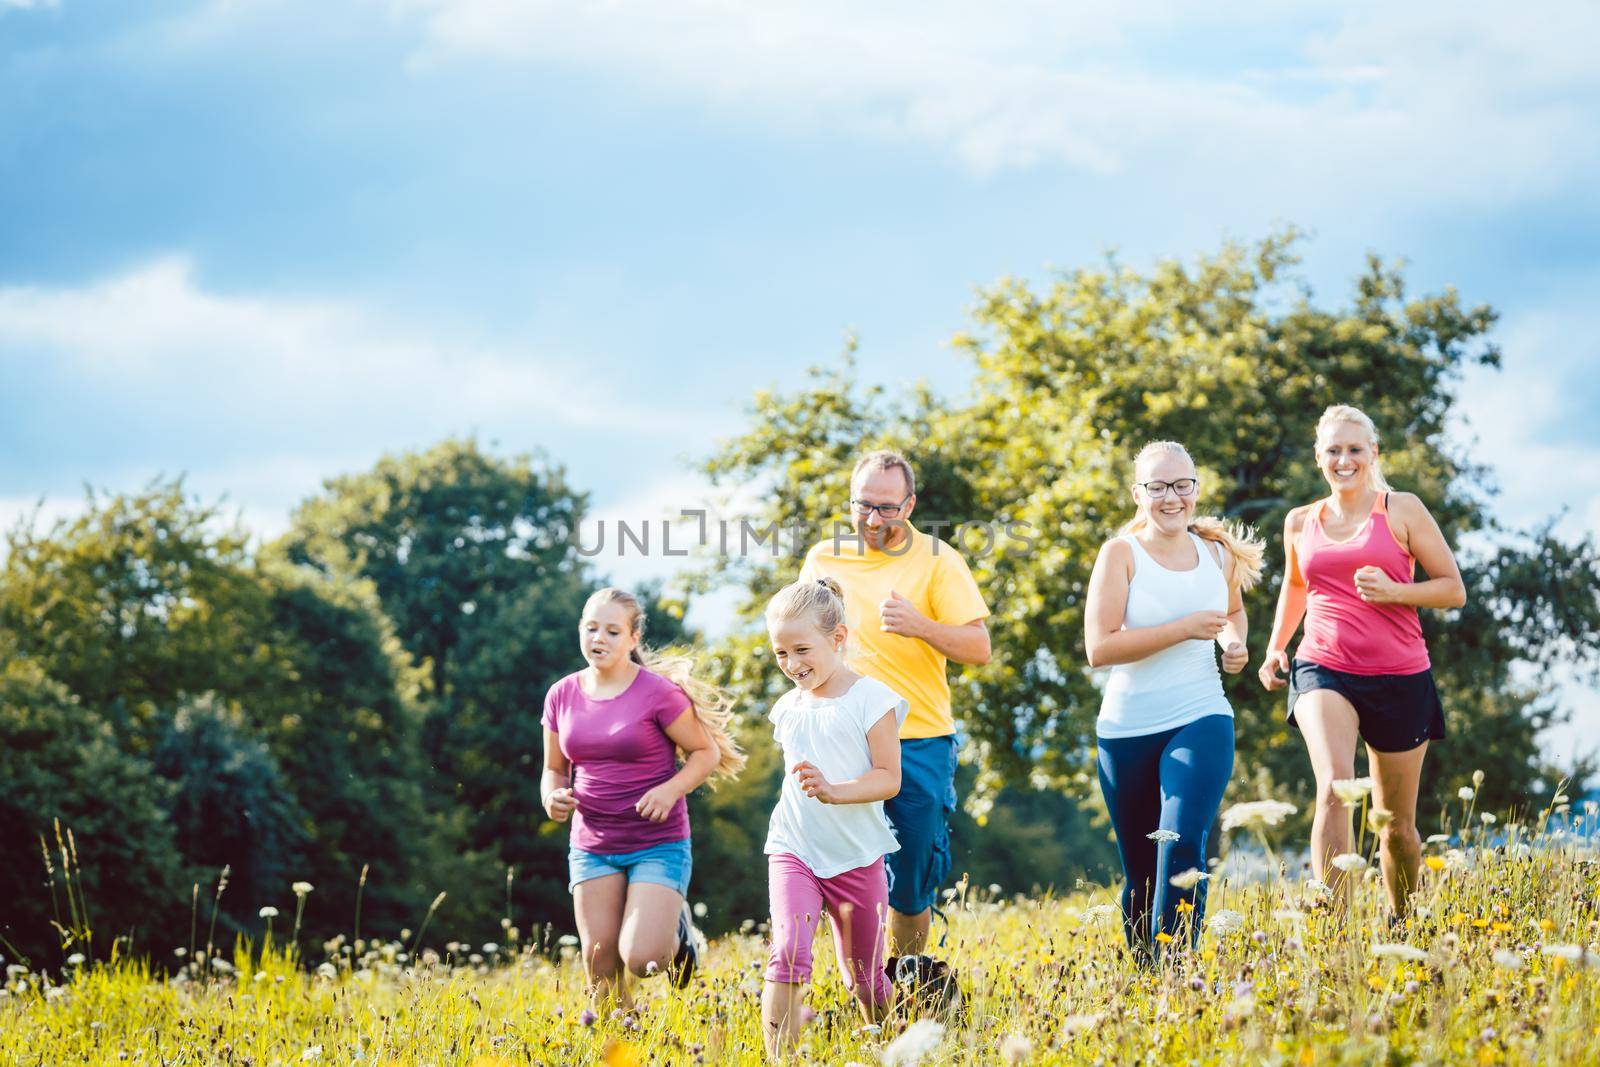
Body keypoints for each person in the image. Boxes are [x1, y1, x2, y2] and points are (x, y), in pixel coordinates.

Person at [1259, 404, 1465, 918]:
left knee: (1396, 826)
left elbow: (1453, 590)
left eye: (1354, 449)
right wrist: (1276, 645)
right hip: (1323, 667)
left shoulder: (1402, 509)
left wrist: (1396, 591)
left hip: (1400, 677)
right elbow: (1296, 584)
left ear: (1373, 453)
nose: (1344, 459)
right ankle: (1335, 932)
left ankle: (1403, 924)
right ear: (1319, 457)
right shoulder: (1300, 521)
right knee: (1334, 785)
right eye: (1333, 450)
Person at [798, 449, 990, 955]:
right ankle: (861, 988)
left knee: (908, 883)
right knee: (839, 870)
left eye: (886, 507)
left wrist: (920, 626)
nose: (873, 519)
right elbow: (800, 641)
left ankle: (906, 979)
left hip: (918, 740)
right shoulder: (823, 558)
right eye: (863, 505)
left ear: (909, 505)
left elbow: (979, 648)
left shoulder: (938, 560)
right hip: (843, 736)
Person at [1084, 441, 1263, 960]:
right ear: (1138, 493)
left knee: (1181, 846)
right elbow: (1100, 648)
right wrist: (1183, 629)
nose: (1171, 497)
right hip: (1125, 730)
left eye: (1181, 485)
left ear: (1196, 489)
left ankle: (1176, 976)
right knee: (1142, 871)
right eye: (1157, 486)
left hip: (1201, 714)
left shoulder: (1216, 552)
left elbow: (1232, 610)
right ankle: (1144, 981)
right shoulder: (1120, 554)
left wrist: (1232, 644)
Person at [540, 587, 745, 1008]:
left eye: (612, 631)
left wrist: (671, 789)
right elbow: (554, 768)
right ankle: (626, 1049)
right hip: (592, 845)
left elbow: (706, 753)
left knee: (643, 959)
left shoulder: (657, 693)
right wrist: (552, 796)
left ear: (633, 639)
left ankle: (678, 930)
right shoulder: (562, 694)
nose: (599, 638)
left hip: (657, 843)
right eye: (591, 627)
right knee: (600, 966)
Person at [761, 577, 906, 1060]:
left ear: (838, 638)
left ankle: (893, 1049)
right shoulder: (787, 708)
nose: (792, 664)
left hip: (857, 856)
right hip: (794, 848)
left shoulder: (872, 699)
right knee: (788, 953)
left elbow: (889, 778)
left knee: (864, 979)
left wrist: (835, 791)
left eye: (802, 649)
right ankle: (779, 1058)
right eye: (780, 654)